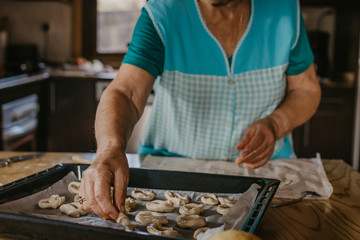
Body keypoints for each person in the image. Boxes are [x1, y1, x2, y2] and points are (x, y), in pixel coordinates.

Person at [78, 0, 321, 220]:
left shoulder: (284, 10)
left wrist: (276, 124)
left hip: (269, 176)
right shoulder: (162, 14)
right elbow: (126, 93)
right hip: (172, 173)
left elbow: (306, 90)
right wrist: (109, 150)